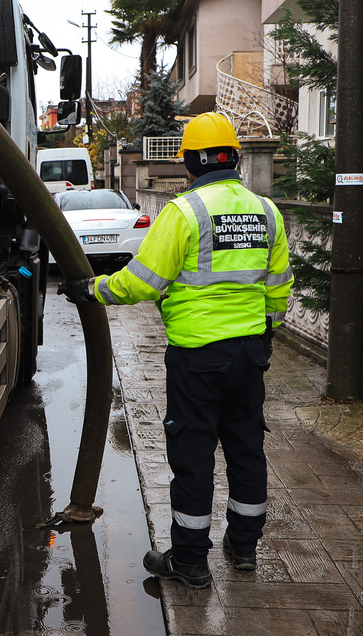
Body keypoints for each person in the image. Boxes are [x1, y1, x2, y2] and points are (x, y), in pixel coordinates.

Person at [58, 112, 293, 589]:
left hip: (198, 359)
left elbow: (142, 281)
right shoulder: (267, 211)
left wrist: (92, 289)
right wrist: (264, 335)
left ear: (189, 162)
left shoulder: (183, 213)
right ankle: (244, 547)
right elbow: (280, 288)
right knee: (247, 450)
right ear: (235, 158)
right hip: (250, 354)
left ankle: (189, 560)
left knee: (193, 456)